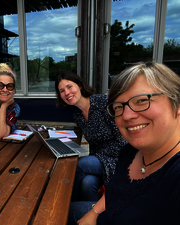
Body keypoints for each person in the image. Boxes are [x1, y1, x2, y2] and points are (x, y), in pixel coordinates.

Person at [69, 61, 180, 225]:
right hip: (105, 214)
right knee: (61, 206)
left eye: (142, 100)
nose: (127, 115)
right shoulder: (130, 152)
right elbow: (116, 192)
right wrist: (93, 214)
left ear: (177, 104)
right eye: (119, 106)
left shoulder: (175, 175)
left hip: (106, 159)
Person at [55, 72, 127, 203]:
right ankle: (91, 216)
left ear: (80, 86)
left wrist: (96, 157)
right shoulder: (78, 116)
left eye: (69, 86)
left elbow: (123, 141)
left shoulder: (104, 103)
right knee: (87, 183)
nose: (67, 93)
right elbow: (94, 145)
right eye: (62, 90)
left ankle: (66, 206)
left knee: (79, 164)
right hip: (101, 160)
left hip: (120, 158)